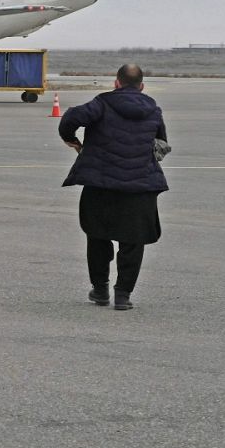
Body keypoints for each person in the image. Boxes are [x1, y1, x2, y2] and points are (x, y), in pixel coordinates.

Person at [59, 64, 168, 310]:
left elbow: (70, 118)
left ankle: (100, 290)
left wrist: (72, 140)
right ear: (142, 86)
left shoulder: (102, 103)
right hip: (140, 185)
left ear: (116, 83)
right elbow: (162, 142)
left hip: (101, 183)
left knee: (97, 235)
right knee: (134, 241)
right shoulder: (153, 109)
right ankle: (123, 295)